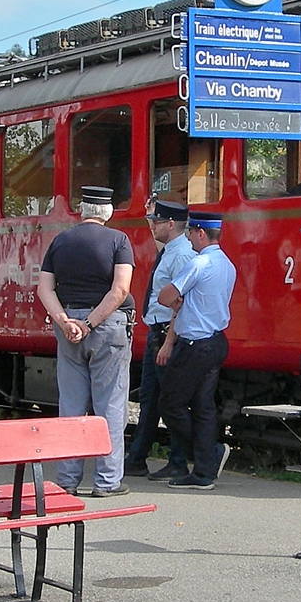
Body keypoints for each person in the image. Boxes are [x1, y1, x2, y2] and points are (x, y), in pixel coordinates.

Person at [36, 185, 135, 498]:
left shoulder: (60, 241)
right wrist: (91, 323)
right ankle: (107, 482)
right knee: (111, 405)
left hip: (69, 330)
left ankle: (67, 480)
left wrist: (65, 321)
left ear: (82, 210)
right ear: (107, 212)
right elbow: (120, 290)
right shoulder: (119, 241)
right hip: (107, 327)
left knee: (72, 406)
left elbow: (44, 289)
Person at [155, 210, 237, 490]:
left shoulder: (199, 263)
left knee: (171, 403)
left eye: (191, 231)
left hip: (194, 345)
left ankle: (209, 455)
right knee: (203, 408)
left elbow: (165, 296)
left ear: (201, 233)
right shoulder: (227, 264)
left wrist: (177, 302)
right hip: (215, 341)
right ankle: (203, 473)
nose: (188, 235)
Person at [122, 198, 196, 480]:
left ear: (171, 224)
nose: (151, 226)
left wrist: (168, 342)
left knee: (170, 401)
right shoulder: (170, 250)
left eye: (156, 221)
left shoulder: (181, 255)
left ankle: (183, 459)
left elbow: (181, 302)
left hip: (168, 332)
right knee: (150, 399)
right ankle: (138, 458)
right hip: (157, 332)